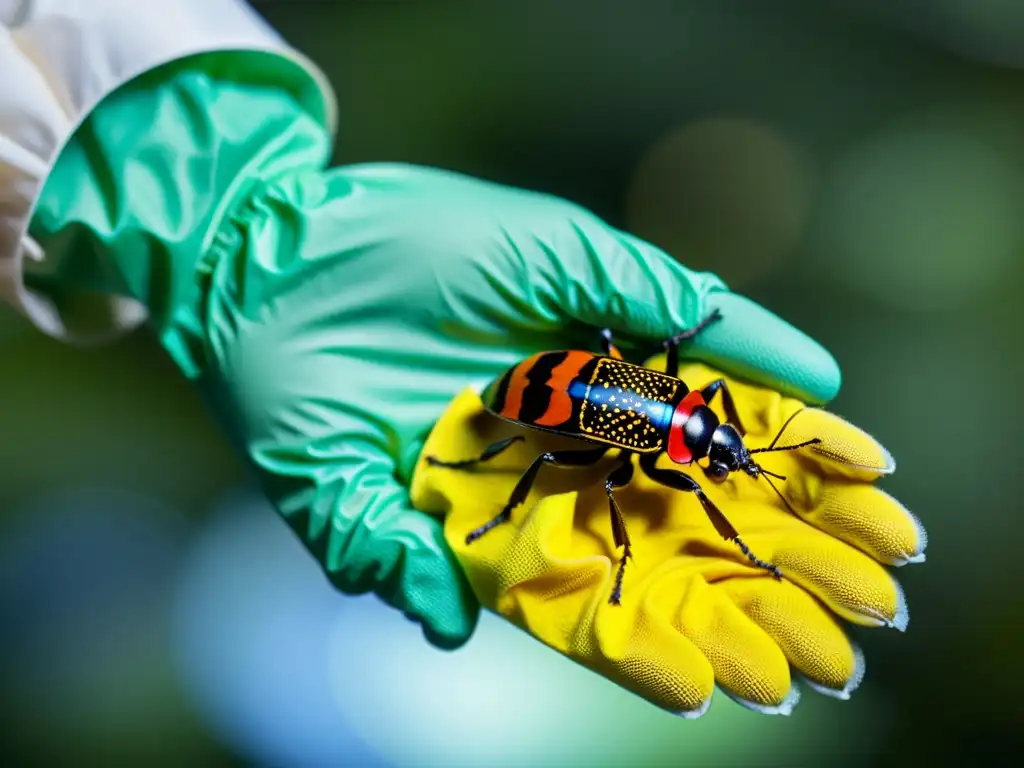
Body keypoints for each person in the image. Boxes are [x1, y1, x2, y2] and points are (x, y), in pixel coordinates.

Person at [1, 0, 843, 654]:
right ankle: (512, 482)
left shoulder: (666, 403)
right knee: (575, 473)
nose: (723, 454)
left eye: (719, 448)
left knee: (569, 460)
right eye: (721, 447)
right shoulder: (665, 431)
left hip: (553, 388)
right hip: (535, 395)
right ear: (698, 424)